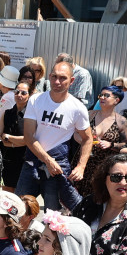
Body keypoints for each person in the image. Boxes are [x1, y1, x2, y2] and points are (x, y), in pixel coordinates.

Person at [16, 58, 92, 211]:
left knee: (53, 216)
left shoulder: (77, 108)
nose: (57, 81)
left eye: (63, 78)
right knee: (17, 210)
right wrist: (48, 161)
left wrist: (81, 167)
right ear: (49, 77)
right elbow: (29, 137)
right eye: (54, 77)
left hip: (57, 168)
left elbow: (87, 138)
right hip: (32, 164)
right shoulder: (36, 100)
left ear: (71, 80)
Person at [74, 85, 127, 196]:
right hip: (84, 162)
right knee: (76, 196)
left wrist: (111, 144)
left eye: (106, 95)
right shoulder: (90, 114)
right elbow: (75, 132)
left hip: (104, 167)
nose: (102, 98)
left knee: (97, 197)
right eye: (101, 95)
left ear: (116, 100)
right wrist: (84, 141)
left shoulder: (121, 121)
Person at [0, 81, 32, 192]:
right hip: (8, 158)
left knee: (22, 194)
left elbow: (28, 140)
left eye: (23, 93)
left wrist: (8, 137)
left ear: (29, 95)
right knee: (7, 192)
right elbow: (1, 138)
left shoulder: (31, 115)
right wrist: (17, 141)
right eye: (17, 92)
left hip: (24, 159)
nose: (19, 95)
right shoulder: (7, 113)